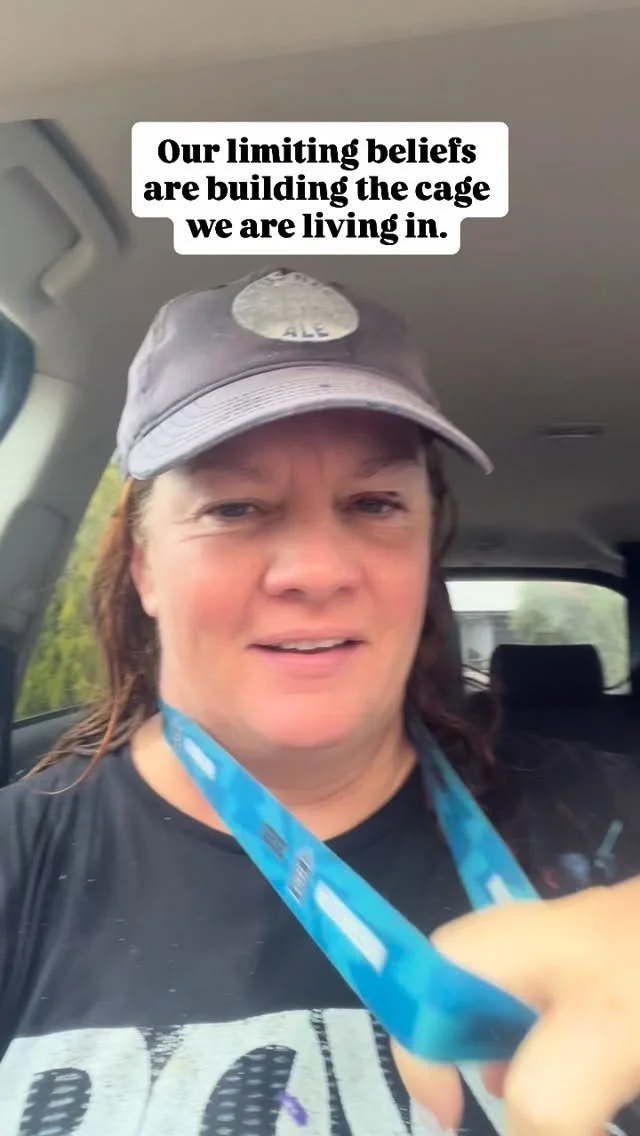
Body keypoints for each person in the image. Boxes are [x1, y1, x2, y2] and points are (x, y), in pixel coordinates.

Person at [0, 265, 639, 1136]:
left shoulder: (607, 812)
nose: (317, 570)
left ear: (426, 550)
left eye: (374, 503)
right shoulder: (21, 860)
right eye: (235, 508)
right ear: (145, 567)